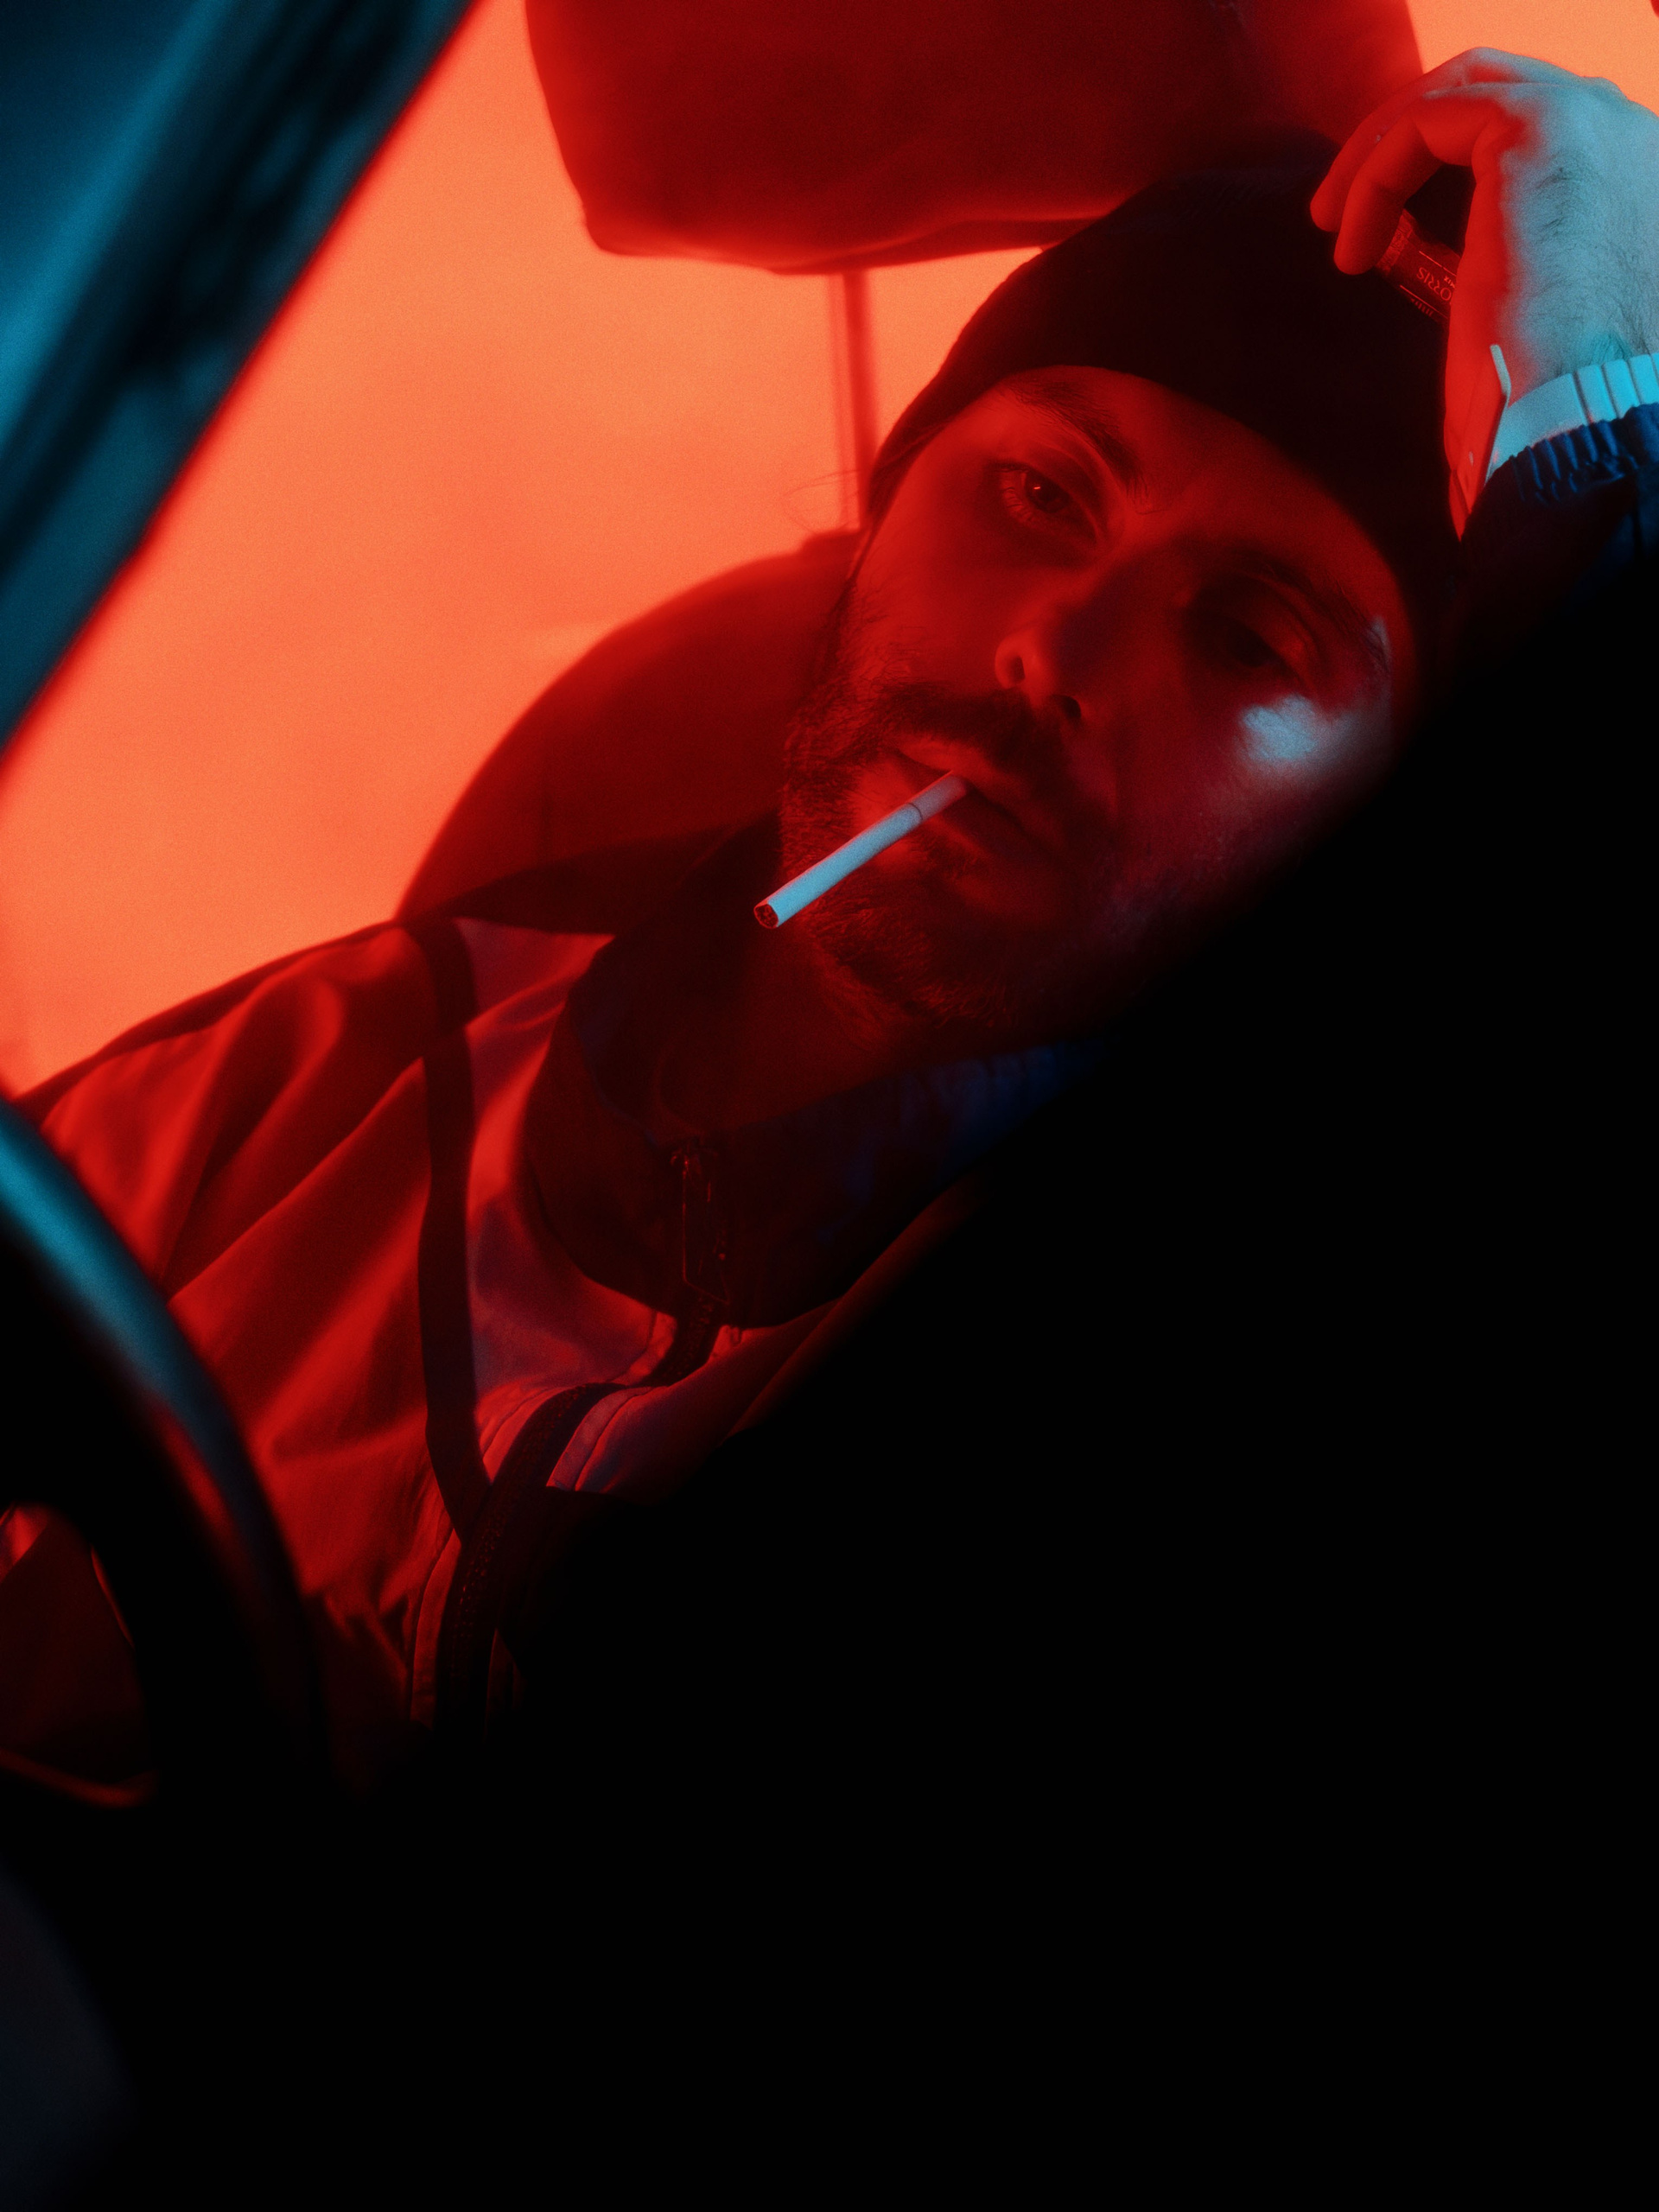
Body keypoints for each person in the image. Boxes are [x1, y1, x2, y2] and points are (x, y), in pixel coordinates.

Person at [7, 51, 1656, 1784]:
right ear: (886, 509)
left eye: (1249, 638)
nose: (1051, 647)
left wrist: (1599, 480)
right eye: (1039, 492)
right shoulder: (338, 1067)